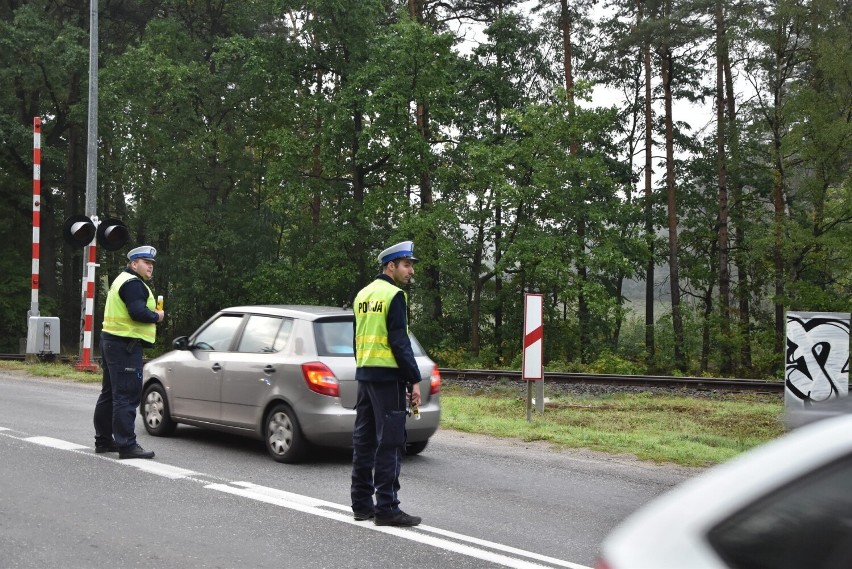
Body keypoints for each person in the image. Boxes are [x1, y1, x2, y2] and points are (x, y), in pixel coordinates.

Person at [350, 240, 423, 527]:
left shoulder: (362, 295)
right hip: (387, 377)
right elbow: (399, 342)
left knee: (364, 441)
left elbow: (357, 340)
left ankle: (361, 504)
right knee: (390, 443)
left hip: (365, 375)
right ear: (390, 266)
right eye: (407, 265)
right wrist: (414, 380)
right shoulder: (394, 296)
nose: (411, 271)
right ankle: (388, 508)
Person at [93, 245, 164, 459]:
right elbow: (137, 312)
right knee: (126, 395)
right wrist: (157, 316)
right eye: (146, 263)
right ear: (134, 264)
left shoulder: (122, 279)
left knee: (109, 394)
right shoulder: (133, 284)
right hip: (125, 345)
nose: (150, 267)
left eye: (152, 264)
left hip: (112, 341)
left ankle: (104, 441)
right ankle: (127, 446)